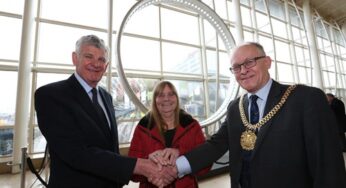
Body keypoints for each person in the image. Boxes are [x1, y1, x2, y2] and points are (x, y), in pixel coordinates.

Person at [163, 42, 346, 188]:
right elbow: (216, 145)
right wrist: (177, 166)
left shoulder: (304, 98)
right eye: (236, 67)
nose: (243, 71)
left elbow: (328, 165)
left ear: (267, 62)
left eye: (249, 62)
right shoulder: (236, 107)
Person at [34, 35, 175, 188]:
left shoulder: (106, 97)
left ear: (106, 66)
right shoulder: (50, 95)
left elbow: (110, 147)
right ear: (75, 58)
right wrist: (140, 166)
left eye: (101, 60)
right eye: (89, 56)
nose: (96, 64)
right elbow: (75, 152)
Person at [128, 81, 210, 188]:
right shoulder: (143, 127)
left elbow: (205, 166)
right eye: (161, 95)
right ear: (155, 100)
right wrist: (148, 162)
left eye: (171, 94)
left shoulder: (192, 125)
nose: (166, 99)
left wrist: (181, 154)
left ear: (176, 98)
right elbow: (132, 172)